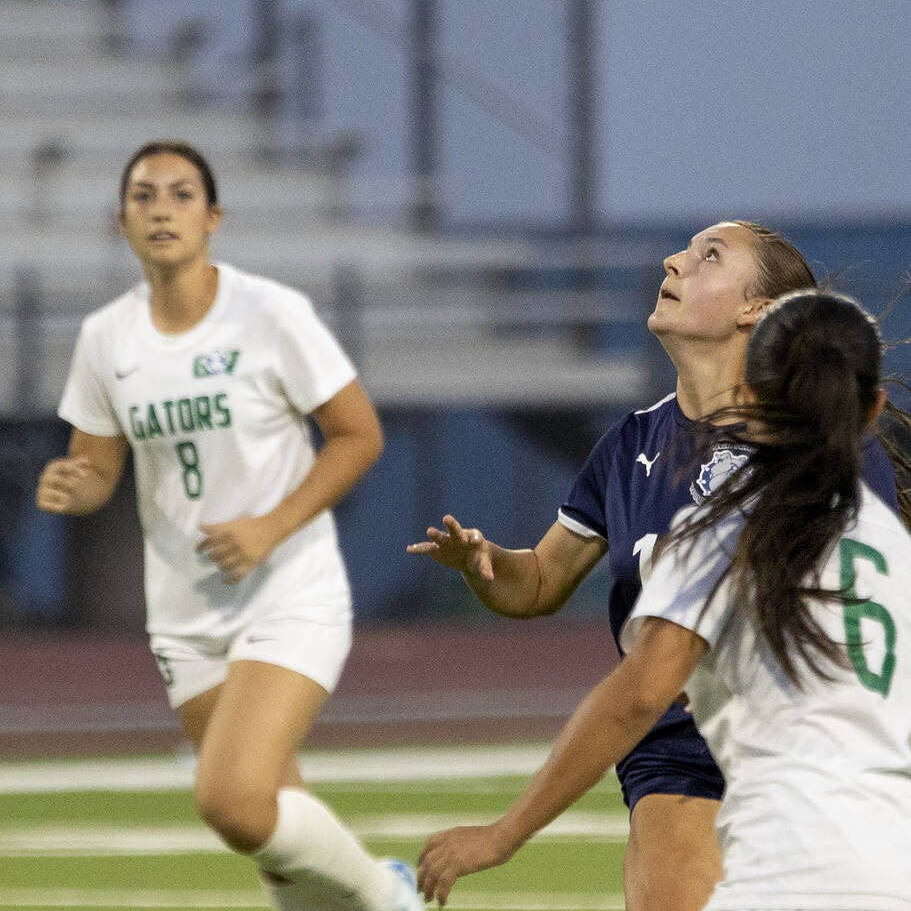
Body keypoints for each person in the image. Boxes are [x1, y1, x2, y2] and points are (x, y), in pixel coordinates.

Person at [408, 221, 901, 911]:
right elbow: (542, 584)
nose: (674, 260)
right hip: (680, 750)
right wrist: (484, 563)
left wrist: (503, 834)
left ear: (754, 309)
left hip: (801, 732)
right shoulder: (632, 445)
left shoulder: (814, 459)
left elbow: (650, 680)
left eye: (709, 256)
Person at [36, 140, 421, 911]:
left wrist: (270, 527)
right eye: (143, 196)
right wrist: (70, 488)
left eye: (180, 195)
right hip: (184, 614)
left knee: (232, 802)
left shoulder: (270, 313)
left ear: (213, 218)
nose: (161, 210)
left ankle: (387, 893)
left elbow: (358, 435)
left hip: (289, 593)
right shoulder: (106, 338)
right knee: (273, 827)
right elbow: (98, 472)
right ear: (122, 221)